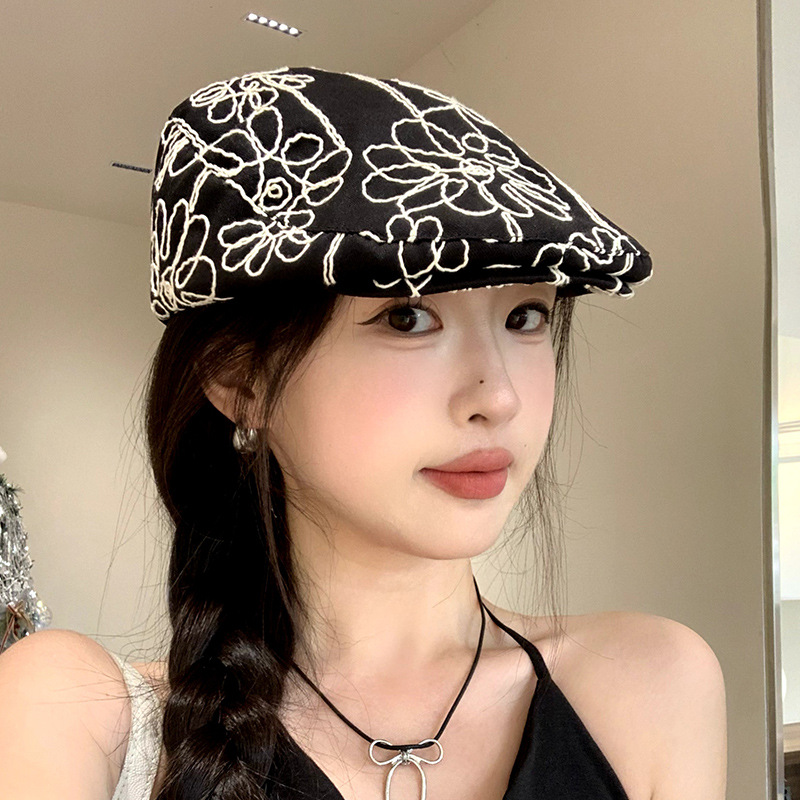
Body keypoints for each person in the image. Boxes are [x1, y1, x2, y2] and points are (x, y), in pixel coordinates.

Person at [0, 66, 726, 800]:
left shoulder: (648, 687)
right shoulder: (76, 719)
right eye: (407, 317)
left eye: (525, 316)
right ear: (239, 379)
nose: (499, 397)